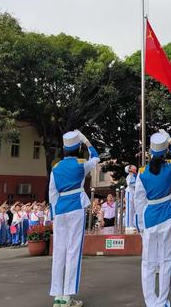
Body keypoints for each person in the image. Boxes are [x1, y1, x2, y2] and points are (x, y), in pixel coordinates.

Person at [49, 130, 100, 307]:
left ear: (63, 148)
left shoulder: (55, 168)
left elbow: (52, 194)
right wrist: (86, 140)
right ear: (78, 148)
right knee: (73, 252)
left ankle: (58, 297)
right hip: (75, 209)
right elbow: (97, 157)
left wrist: (54, 214)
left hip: (60, 210)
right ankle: (68, 297)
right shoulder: (81, 164)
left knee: (59, 252)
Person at [134, 129, 171, 307]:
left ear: (150, 152)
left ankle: (151, 302)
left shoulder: (142, 172)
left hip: (150, 218)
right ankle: (162, 301)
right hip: (166, 216)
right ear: (165, 153)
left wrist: (141, 223)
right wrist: (170, 141)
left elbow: (138, 200)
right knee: (166, 260)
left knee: (148, 262)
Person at [125, 165, 137, 230]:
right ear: (129, 169)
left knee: (133, 209)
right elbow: (131, 184)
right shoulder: (130, 176)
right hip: (130, 192)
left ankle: (132, 224)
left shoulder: (134, 175)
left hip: (134, 193)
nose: (133, 166)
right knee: (129, 209)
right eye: (131, 166)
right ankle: (128, 225)